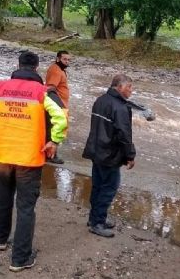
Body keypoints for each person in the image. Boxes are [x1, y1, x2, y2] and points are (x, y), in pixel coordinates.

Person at [0, 51, 67, 272]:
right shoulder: (41, 92)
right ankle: (20, 259)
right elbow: (60, 117)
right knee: (25, 208)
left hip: (3, 156)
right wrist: (55, 141)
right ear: (37, 68)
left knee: (3, 199)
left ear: (17, 65)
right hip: (29, 159)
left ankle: (1, 241)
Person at [83, 74, 136, 238]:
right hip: (109, 154)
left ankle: (95, 219)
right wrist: (130, 155)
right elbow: (124, 134)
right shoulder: (119, 107)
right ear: (119, 87)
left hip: (96, 150)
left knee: (98, 186)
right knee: (109, 188)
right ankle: (97, 222)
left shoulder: (100, 100)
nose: (131, 91)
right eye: (129, 87)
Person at [45, 50, 71, 164]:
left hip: (61, 104)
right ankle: (51, 155)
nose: (67, 61)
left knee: (54, 129)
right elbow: (50, 88)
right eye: (64, 59)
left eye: (68, 59)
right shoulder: (55, 70)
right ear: (58, 59)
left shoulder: (60, 70)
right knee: (56, 129)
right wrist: (58, 107)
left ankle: (50, 153)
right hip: (57, 106)